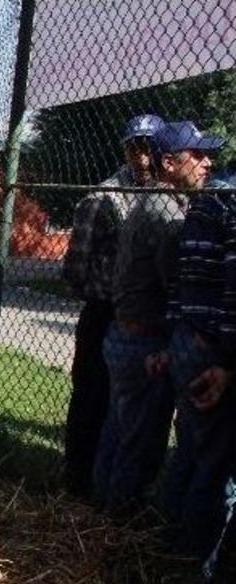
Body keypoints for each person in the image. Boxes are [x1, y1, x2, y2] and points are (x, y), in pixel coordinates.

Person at [94, 120, 219, 512]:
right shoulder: (169, 215)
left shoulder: (151, 200)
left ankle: (101, 511)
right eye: (196, 155)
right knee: (140, 446)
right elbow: (177, 287)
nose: (207, 163)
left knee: (120, 431)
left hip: (124, 333)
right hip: (142, 341)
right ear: (169, 163)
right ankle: (118, 526)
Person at [61, 114, 162, 499]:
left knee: (129, 407)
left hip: (144, 315)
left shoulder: (164, 193)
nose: (143, 156)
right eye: (136, 147)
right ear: (125, 149)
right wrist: (103, 287)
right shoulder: (104, 196)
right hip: (103, 310)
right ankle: (77, 480)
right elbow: (75, 265)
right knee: (91, 395)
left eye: (150, 147)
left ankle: (118, 487)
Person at [164, 144, 232, 559]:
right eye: (200, 153)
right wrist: (225, 356)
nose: (209, 162)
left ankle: (167, 545)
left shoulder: (204, 204)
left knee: (190, 449)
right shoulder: (222, 202)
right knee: (210, 460)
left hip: (190, 337)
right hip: (207, 345)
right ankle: (192, 560)